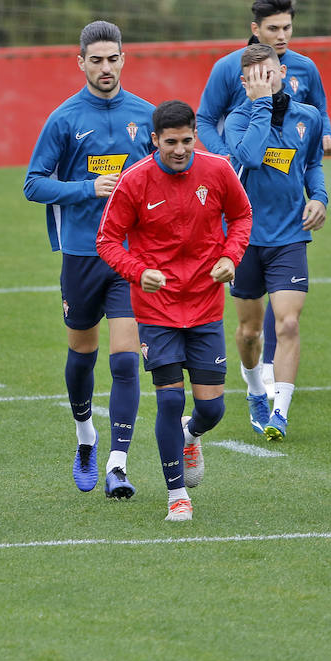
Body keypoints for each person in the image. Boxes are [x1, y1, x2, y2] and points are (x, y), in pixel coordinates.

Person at [96, 100, 252, 520]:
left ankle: (191, 434)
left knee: (212, 409)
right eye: (171, 143)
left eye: (187, 140)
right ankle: (176, 494)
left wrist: (231, 257)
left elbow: (241, 216)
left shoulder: (217, 170)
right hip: (156, 310)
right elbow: (107, 241)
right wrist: (137, 271)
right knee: (168, 402)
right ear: (154, 140)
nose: (180, 149)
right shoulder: (135, 181)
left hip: (205, 305)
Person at [23, 20, 156, 499]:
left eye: (112, 58)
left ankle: (118, 465)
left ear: (124, 59)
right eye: (95, 60)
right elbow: (33, 183)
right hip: (81, 255)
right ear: (80, 63)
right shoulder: (63, 119)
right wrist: (86, 188)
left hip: (130, 256)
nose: (105, 67)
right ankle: (85, 438)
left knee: (125, 361)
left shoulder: (147, 116)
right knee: (82, 355)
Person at [197, 0, 331, 396]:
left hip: (287, 202)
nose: (281, 36)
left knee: (285, 309)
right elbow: (206, 118)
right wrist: (227, 160)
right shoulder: (228, 68)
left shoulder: (305, 68)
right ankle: (259, 370)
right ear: (255, 29)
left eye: (287, 28)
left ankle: (274, 378)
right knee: (250, 317)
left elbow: (319, 113)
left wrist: (324, 138)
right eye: (273, 29)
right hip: (243, 197)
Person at [224, 43, 327, 440]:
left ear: (283, 73)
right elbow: (249, 157)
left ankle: (279, 413)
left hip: (289, 236)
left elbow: (312, 163)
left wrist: (318, 197)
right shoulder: (236, 122)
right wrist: (261, 104)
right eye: (256, 75)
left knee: (287, 322)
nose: (265, 80)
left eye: (271, 73)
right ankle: (254, 391)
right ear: (244, 82)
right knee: (250, 332)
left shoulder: (309, 118)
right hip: (245, 237)